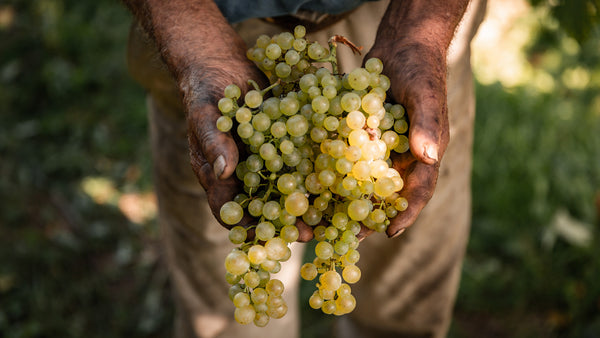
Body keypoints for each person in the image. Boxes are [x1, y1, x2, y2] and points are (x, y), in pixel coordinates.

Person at [122, 0, 487, 337]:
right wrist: (194, 44)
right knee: (228, 323)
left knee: (404, 307)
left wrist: (423, 30)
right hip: (200, 25)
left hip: (407, 20)